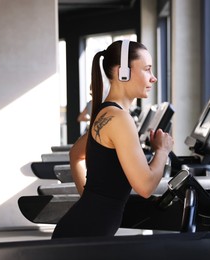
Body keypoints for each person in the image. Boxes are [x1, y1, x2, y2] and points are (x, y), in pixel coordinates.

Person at [52, 40, 174, 239]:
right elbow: (145, 187)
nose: (153, 78)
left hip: (79, 229)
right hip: (82, 239)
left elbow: (75, 155)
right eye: (147, 69)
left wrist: (92, 201)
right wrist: (162, 150)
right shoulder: (119, 118)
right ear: (122, 72)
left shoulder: (107, 112)